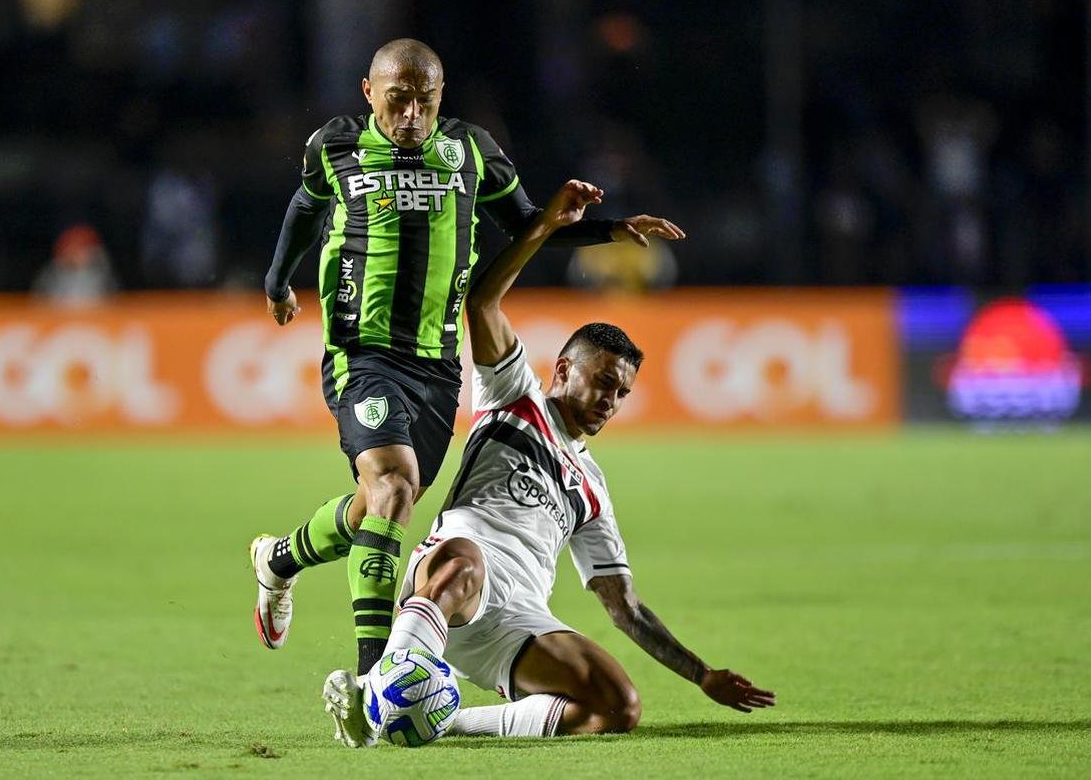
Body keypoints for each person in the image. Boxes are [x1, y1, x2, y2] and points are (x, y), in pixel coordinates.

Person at [249, 37, 685, 680]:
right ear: (369, 93)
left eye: (424, 101)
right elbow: (306, 206)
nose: (411, 115)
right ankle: (374, 679)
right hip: (363, 352)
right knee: (395, 486)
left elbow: (529, 223)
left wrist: (612, 229)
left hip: (436, 367)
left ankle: (280, 560)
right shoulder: (333, 145)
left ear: (440, 96)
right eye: (397, 100)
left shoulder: (471, 151)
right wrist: (278, 281)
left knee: (379, 504)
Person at [323, 180, 773, 747]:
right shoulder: (515, 396)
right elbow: (482, 304)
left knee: (618, 706)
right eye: (603, 381)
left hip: (519, 617)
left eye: (622, 392)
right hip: (453, 583)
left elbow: (625, 608)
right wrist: (544, 227)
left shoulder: (591, 490)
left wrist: (701, 674)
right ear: (563, 370)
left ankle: (448, 720)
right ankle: (375, 693)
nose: (611, 400)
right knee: (463, 559)